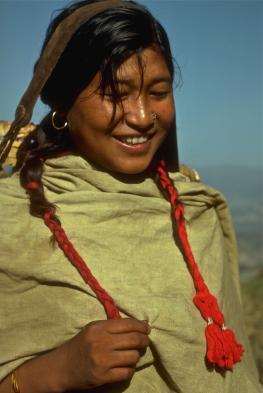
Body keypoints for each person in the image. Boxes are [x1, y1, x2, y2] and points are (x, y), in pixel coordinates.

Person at [0, 1, 261, 392]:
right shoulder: (12, 219)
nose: (141, 116)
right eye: (116, 93)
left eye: (158, 92)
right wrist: (56, 371)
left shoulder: (195, 210)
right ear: (63, 105)